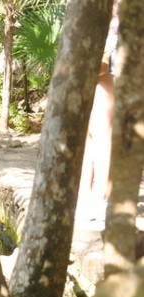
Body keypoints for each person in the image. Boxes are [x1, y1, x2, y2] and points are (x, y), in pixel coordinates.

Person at [80, 1, 118, 202]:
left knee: (102, 132)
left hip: (109, 54)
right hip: (98, 52)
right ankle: (87, 191)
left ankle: (100, 192)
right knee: (89, 131)